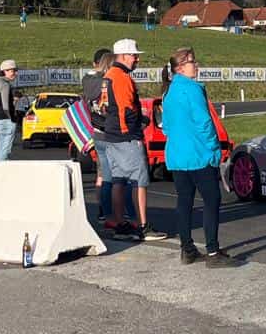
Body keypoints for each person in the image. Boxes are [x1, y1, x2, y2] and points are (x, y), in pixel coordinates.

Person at [165, 47, 239, 267]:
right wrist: (214, 147)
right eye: (192, 62)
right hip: (199, 154)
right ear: (180, 67)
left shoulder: (169, 92)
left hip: (177, 156)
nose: (196, 65)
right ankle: (213, 251)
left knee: (184, 201)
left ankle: (187, 248)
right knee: (211, 200)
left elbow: (166, 126)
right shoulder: (192, 89)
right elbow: (204, 122)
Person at [103, 38, 165, 241]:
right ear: (122, 56)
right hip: (127, 136)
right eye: (134, 55)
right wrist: (140, 124)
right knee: (139, 181)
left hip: (112, 135)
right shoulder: (121, 77)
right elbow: (127, 109)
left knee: (118, 180)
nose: (137, 59)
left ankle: (120, 224)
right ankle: (143, 226)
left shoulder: (108, 76)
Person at [83, 49, 135, 236]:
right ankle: (128, 215)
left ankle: (106, 214)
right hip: (111, 133)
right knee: (123, 178)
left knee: (105, 177)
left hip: (97, 132)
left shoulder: (88, 82)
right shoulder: (108, 82)